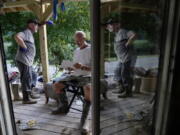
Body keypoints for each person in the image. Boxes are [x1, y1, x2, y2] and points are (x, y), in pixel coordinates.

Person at [51, 31, 91, 131]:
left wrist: (83, 66)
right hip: (75, 75)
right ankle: (63, 107)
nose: (77, 43)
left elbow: (95, 68)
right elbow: (75, 66)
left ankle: (84, 120)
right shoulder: (76, 50)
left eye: (79, 40)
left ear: (84, 38)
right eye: (76, 41)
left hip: (87, 76)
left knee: (88, 89)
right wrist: (70, 68)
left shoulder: (91, 49)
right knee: (57, 84)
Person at [105, 18, 137, 98]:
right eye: (109, 25)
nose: (110, 27)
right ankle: (121, 88)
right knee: (117, 72)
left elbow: (134, 34)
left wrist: (128, 43)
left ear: (118, 24)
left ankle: (128, 92)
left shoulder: (122, 31)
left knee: (125, 74)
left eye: (112, 24)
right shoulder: (117, 34)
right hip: (121, 59)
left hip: (128, 58)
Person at [14, 19, 41, 104]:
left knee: (33, 75)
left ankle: (30, 93)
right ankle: (26, 99)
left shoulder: (30, 33)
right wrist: (24, 46)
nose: (37, 27)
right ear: (32, 25)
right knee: (26, 78)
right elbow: (17, 36)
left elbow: (39, 26)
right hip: (24, 60)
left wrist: (44, 23)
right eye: (36, 25)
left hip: (28, 61)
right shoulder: (26, 32)